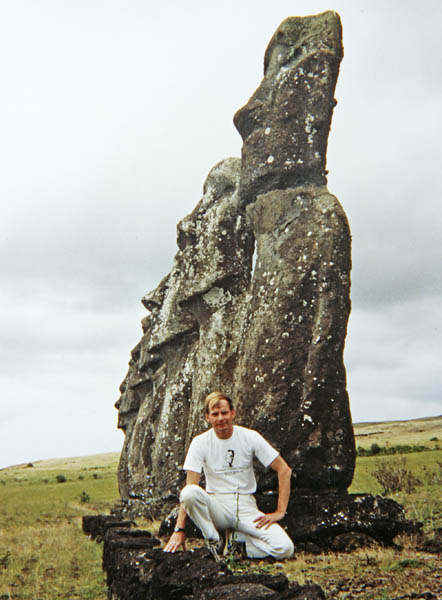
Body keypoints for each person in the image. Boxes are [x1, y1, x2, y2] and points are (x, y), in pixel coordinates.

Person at [164, 391, 294, 560]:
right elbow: (189, 490)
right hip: (217, 505)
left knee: (285, 548)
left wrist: (280, 511)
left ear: (232, 413)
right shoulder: (200, 442)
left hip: (245, 506)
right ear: (207, 417)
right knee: (189, 492)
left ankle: (238, 546)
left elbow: (284, 470)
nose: (220, 419)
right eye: (215, 414)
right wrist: (179, 530)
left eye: (224, 413)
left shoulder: (249, 436)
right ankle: (214, 540)